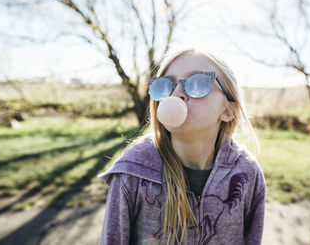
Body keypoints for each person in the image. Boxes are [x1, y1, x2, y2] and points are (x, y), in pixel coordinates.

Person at [97, 48, 266, 245]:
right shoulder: (131, 173)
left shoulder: (247, 173)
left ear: (228, 111)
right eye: (165, 86)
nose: (176, 93)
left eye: (197, 83)